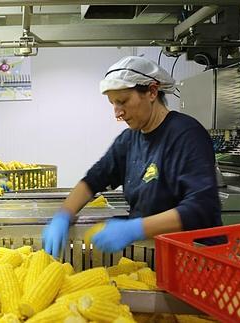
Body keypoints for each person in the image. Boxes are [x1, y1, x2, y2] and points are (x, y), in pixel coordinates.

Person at [42, 56, 223, 258]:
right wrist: (64, 215)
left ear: (152, 92)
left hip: (195, 258)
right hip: (155, 256)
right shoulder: (129, 140)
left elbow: (201, 208)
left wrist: (136, 229)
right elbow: (94, 179)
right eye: (113, 104)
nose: (117, 113)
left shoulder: (186, 135)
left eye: (123, 102)